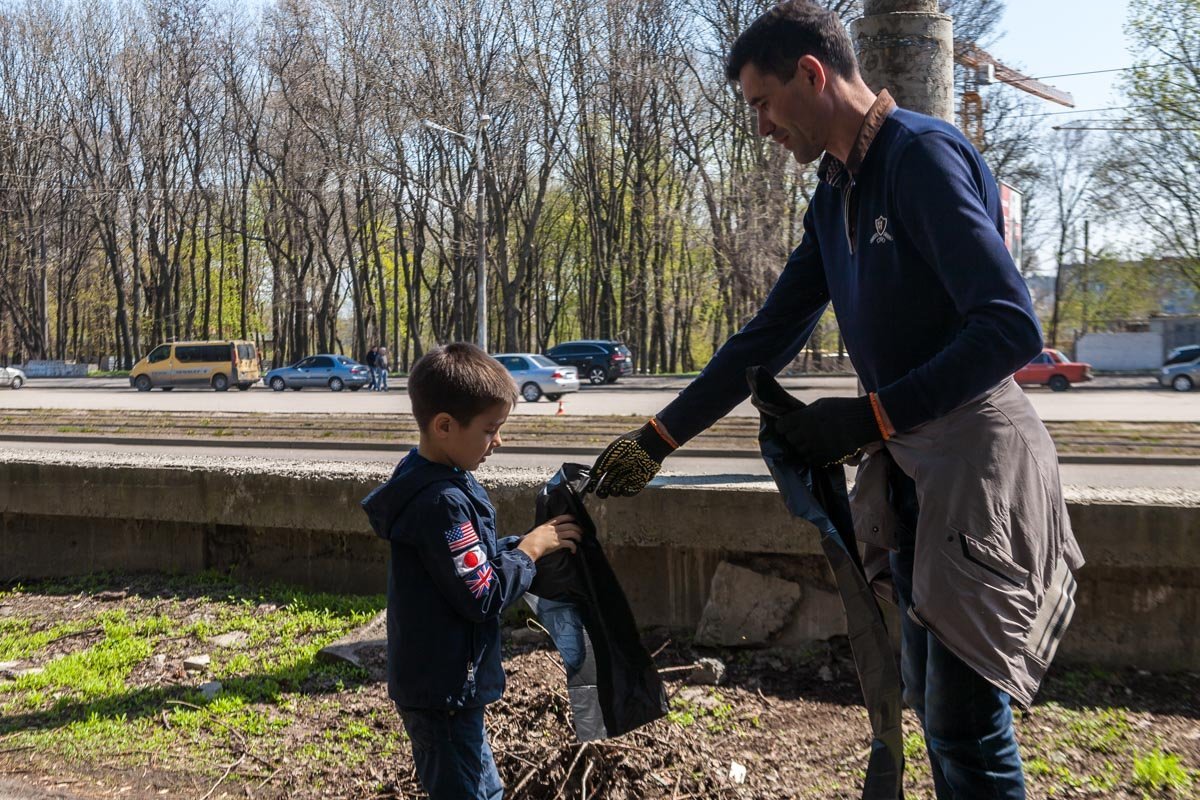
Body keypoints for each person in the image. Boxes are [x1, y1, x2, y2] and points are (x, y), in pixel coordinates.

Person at [585, 3, 1083, 797]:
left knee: (966, 725)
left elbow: (1009, 327)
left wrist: (870, 417)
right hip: (913, 469)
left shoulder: (919, 156)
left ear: (811, 74)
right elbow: (767, 336)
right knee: (935, 712)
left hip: (975, 464)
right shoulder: (835, 194)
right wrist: (658, 437)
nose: (760, 126)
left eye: (762, 103)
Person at [361, 342, 582, 800]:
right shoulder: (442, 502)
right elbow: (482, 593)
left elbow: (467, 561)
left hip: (444, 687)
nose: (498, 442)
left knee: (486, 788)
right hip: (443, 693)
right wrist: (530, 552)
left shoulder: (433, 476)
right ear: (444, 426)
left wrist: (518, 545)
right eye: (490, 430)